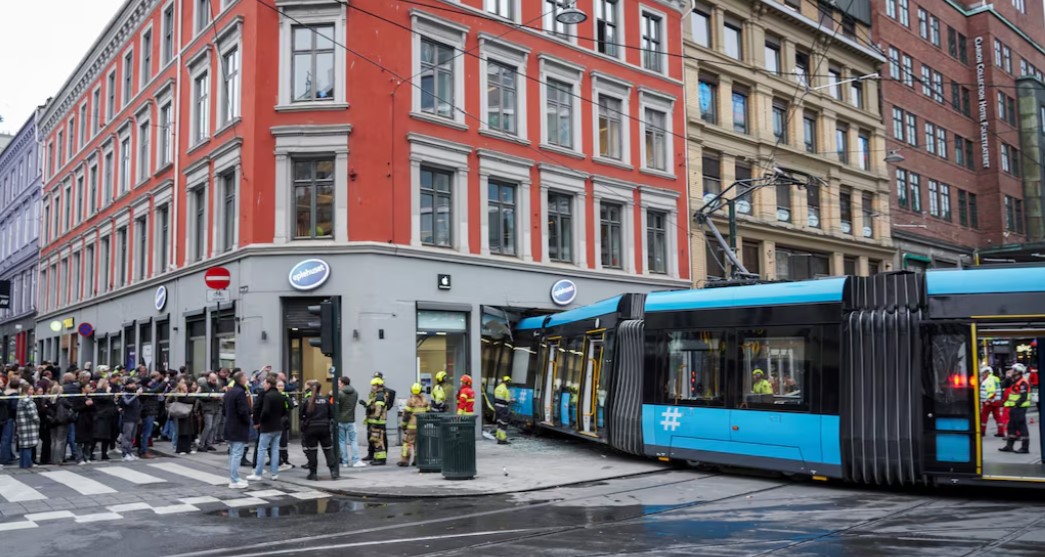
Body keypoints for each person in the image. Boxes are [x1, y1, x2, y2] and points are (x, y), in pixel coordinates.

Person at [247, 374, 285, 480]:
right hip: (278, 426)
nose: (263, 385)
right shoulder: (280, 395)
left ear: (268, 383)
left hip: (267, 427)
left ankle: (258, 473)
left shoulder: (267, 396)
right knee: (275, 449)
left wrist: (260, 422)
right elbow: (284, 411)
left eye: (264, 383)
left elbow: (265, 411)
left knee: (262, 449)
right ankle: (274, 473)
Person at [301, 380, 339, 480]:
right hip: (324, 428)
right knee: (328, 449)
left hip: (311, 429)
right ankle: (333, 471)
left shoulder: (307, 400)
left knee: (312, 451)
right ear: (320, 389)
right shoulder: (325, 400)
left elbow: (301, 415)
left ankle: (313, 473)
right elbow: (331, 414)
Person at [223, 370, 252, 488]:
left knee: (233, 453)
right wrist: (248, 420)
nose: (246, 378)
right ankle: (234, 480)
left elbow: (224, 410)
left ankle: (234, 477)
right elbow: (243, 411)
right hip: (238, 426)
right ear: (241, 379)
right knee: (236, 453)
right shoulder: (240, 393)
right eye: (245, 377)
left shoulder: (230, 392)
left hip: (230, 425)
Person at [1000, 363, 1032, 454]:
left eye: (1013, 370)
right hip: (1013, 407)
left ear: (1018, 372)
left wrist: (1016, 405)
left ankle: (1025, 447)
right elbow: (1002, 385)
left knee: (1021, 426)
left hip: (1020, 408)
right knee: (1011, 426)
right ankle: (1009, 446)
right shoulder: (1013, 380)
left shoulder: (1023, 382)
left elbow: (1023, 397)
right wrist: (1008, 378)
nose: (1011, 371)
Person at [336, 376, 364, 468]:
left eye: (339, 383)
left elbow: (336, 406)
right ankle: (356, 460)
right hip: (351, 420)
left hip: (341, 420)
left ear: (343, 383)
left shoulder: (339, 393)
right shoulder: (355, 393)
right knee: (353, 441)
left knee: (342, 441)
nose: (338, 384)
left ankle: (345, 461)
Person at [399, 383, 429, 466]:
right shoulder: (425, 401)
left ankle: (404, 460)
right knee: (419, 443)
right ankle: (417, 460)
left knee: (407, 442)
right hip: (422, 426)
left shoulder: (410, 401)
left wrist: (403, 425)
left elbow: (406, 415)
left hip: (411, 427)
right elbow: (428, 413)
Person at [139, 372, 167, 459]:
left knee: (147, 432)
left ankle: (143, 449)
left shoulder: (147, 388)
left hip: (151, 412)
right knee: (146, 433)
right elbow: (157, 390)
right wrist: (164, 382)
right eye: (150, 382)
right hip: (148, 413)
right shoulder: (145, 390)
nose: (151, 383)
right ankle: (144, 451)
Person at [91, 378, 118, 460]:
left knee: (106, 437)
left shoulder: (105, 392)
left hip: (107, 417)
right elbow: (104, 399)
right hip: (101, 417)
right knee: (96, 437)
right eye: (107, 383)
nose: (108, 385)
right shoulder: (99, 391)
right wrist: (108, 393)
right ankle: (90, 453)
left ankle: (104, 453)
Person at [15, 382, 39, 469]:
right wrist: (37, 421)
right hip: (29, 426)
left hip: (22, 426)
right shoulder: (28, 401)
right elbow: (33, 415)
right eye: (31, 389)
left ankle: (23, 464)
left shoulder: (20, 400)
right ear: (26, 390)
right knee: (28, 446)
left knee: (23, 446)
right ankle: (27, 464)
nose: (32, 391)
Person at [365, 377, 388, 465]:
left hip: (378, 422)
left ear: (378, 386)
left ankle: (381, 460)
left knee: (379, 441)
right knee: (376, 440)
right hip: (378, 422)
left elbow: (379, 409)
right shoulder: (378, 395)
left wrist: (375, 419)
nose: (372, 387)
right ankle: (378, 458)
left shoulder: (379, 396)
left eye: (373, 385)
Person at [198, 373, 223, 452]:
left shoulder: (217, 385)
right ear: (209, 378)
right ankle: (201, 444)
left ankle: (209, 444)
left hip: (216, 407)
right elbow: (199, 396)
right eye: (213, 380)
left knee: (213, 427)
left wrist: (219, 397)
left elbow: (219, 393)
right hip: (207, 408)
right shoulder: (203, 385)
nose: (214, 381)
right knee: (208, 426)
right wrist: (210, 396)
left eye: (215, 380)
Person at [118, 380, 142, 461]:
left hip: (135, 418)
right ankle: (124, 454)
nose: (134, 385)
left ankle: (129, 452)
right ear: (127, 385)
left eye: (134, 383)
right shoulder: (125, 394)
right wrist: (136, 395)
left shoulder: (134, 393)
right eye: (132, 384)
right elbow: (127, 402)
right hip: (128, 418)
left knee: (132, 437)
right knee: (127, 437)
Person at [979, 366, 1005, 437]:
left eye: (983, 373)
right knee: (997, 416)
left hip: (989, 402)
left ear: (987, 372)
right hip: (996, 401)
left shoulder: (989, 380)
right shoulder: (995, 379)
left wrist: (988, 401)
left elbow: (991, 392)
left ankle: (982, 431)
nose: (982, 375)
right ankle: (1001, 432)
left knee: (984, 417)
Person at [276, 379, 296, 470]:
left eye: (282, 386)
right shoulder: (275, 395)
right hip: (277, 419)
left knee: (283, 441)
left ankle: (285, 459)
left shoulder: (286, 395)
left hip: (284, 418)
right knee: (278, 441)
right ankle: (278, 460)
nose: (281, 388)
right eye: (279, 386)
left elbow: (291, 405)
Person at [74, 381, 95, 464]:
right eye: (88, 387)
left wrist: (92, 404)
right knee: (79, 441)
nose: (90, 388)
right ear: (83, 389)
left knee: (87, 440)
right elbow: (76, 408)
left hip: (89, 421)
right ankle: (79, 458)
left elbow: (94, 409)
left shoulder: (90, 397)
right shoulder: (78, 398)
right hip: (81, 420)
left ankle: (87, 457)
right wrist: (85, 405)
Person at [493, 376, 512, 445]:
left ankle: (498, 437)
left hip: (497, 407)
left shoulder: (497, 388)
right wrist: (512, 400)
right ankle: (502, 439)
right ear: (507, 382)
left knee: (499, 422)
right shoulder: (506, 390)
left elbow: (495, 397)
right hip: (503, 408)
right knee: (504, 423)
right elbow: (507, 400)